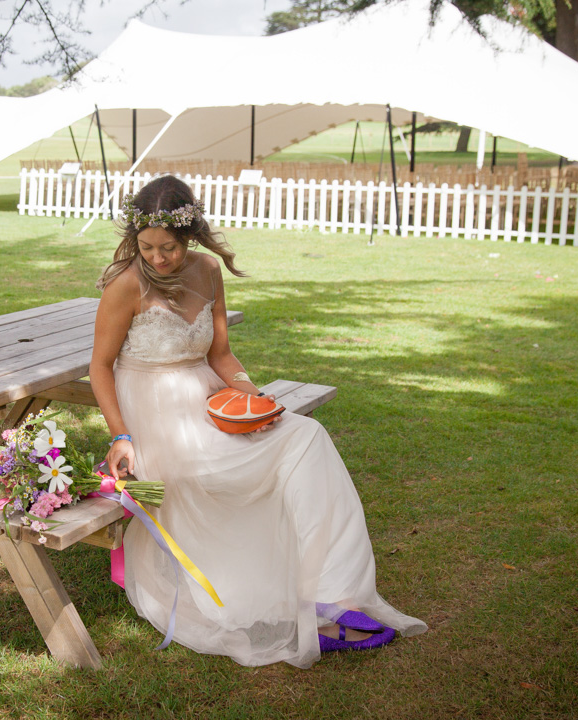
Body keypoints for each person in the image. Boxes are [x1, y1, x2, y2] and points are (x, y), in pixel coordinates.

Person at [90, 175, 426, 668]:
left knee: (306, 436)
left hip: (207, 396)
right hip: (157, 418)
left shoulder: (206, 271)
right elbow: (99, 366)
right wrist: (121, 437)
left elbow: (222, 353)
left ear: (192, 237)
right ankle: (253, 584)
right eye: (147, 247)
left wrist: (255, 397)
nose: (158, 259)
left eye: (169, 248)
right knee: (222, 473)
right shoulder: (126, 285)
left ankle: (331, 591)